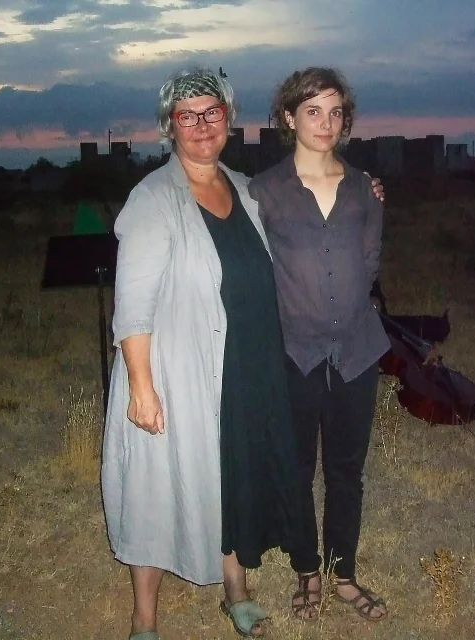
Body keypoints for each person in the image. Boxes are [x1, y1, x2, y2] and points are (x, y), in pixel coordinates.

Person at [101, 68, 304, 639]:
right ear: (170, 126)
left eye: (210, 112)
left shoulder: (244, 189)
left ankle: (235, 586)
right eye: (186, 115)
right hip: (175, 367)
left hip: (241, 361)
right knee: (154, 485)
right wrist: (141, 385)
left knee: (231, 473)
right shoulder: (153, 198)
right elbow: (133, 303)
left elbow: (303, 213)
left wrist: (363, 188)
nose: (200, 125)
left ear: (228, 119)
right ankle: (144, 618)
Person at [248, 67, 390, 623]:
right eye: (313, 110)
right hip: (295, 353)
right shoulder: (263, 192)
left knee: (347, 470)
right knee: (297, 465)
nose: (326, 122)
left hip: (356, 352)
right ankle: (307, 568)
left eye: (335, 112)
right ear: (289, 118)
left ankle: (343, 572)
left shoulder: (364, 189)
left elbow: (370, 261)